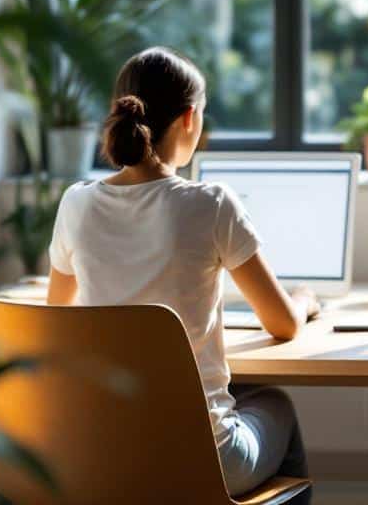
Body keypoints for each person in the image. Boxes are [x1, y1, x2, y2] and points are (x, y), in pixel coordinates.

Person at [45, 47, 316, 500]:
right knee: (276, 404)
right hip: (203, 464)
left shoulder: (77, 203)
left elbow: (58, 316)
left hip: (101, 459)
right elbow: (283, 324)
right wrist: (305, 301)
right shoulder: (209, 204)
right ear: (190, 118)